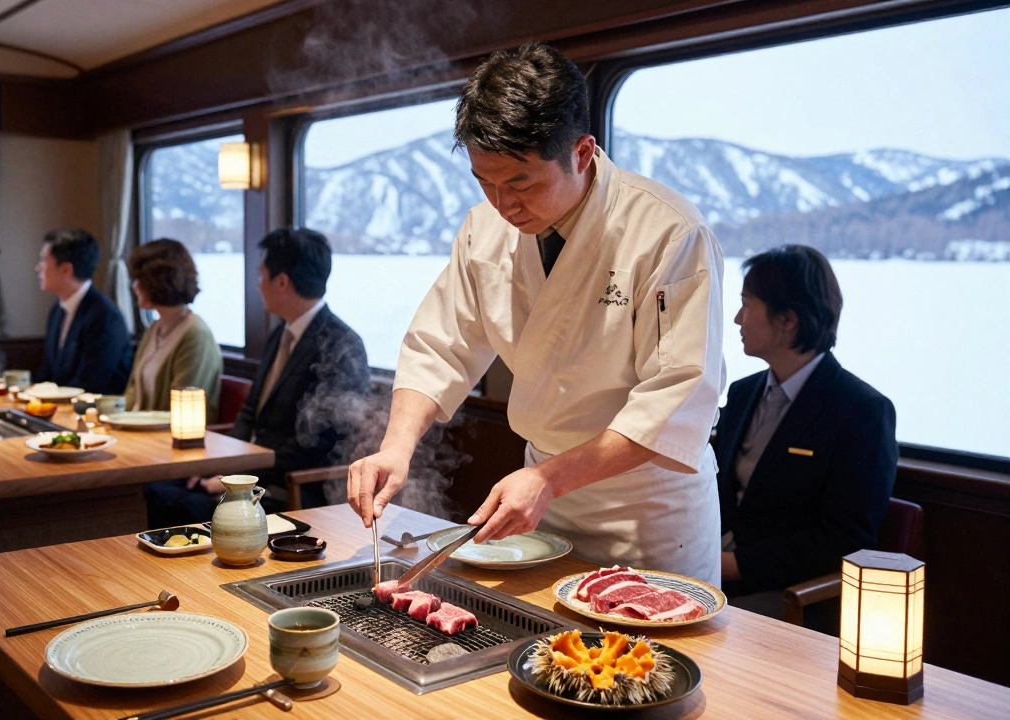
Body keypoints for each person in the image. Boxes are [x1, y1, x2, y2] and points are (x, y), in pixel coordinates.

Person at [347, 42, 727, 585]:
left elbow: (675, 398)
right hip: (539, 501)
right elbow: (440, 344)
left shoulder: (667, 232)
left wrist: (551, 477)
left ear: (582, 152)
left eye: (521, 183)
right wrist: (396, 447)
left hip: (643, 512)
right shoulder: (485, 228)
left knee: (634, 636)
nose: (503, 205)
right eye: (485, 182)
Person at [147, 227, 370, 526]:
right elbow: (250, 411)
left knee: (181, 505)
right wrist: (220, 466)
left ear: (282, 282)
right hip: (254, 472)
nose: (258, 284)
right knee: (156, 489)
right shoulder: (280, 334)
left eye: (261, 275)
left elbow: (316, 444)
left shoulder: (340, 345)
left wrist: (237, 477)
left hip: (293, 486)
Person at [716, 245, 897, 599]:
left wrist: (736, 565)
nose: (737, 318)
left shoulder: (862, 411)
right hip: (713, 574)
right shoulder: (742, 393)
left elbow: (847, 538)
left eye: (747, 304)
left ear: (787, 320)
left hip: (789, 593)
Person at [123, 239, 223, 419]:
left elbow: (183, 409)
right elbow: (133, 391)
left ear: (159, 282)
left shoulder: (195, 336)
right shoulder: (154, 329)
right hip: (138, 427)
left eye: (140, 280)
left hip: (171, 432)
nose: (135, 286)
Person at [35, 228, 132, 394]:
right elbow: (49, 372)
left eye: (44, 261)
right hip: (62, 404)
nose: (38, 268)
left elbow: (91, 382)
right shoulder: (57, 311)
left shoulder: (104, 316)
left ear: (66, 270)